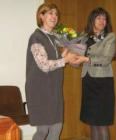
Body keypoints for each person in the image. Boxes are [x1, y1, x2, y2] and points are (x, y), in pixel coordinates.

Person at [25, 3, 77, 140]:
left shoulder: (53, 38)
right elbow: (44, 65)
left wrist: (66, 51)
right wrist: (65, 60)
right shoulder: (36, 37)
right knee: (43, 130)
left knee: (56, 129)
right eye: (50, 13)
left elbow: (55, 60)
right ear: (41, 16)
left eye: (56, 14)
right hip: (39, 90)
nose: (54, 16)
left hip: (53, 90)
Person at [72, 7, 116, 140]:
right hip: (88, 81)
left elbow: (106, 60)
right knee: (92, 121)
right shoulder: (84, 37)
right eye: (99, 18)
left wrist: (86, 59)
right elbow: (76, 61)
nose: (102, 21)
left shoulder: (110, 37)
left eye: (104, 18)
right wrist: (70, 51)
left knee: (101, 123)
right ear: (92, 20)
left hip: (102, 83)